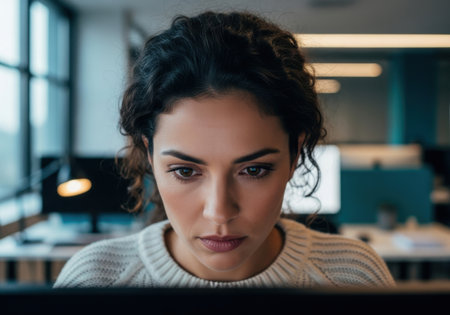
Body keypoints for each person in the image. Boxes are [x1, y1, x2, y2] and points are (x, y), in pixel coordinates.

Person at [54, 11, 395, 288]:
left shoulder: (352, 278)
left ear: (295, 156)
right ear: (149, 156)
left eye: (254, 170)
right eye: (185, 171)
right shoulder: (96, 281)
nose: (220, 212)